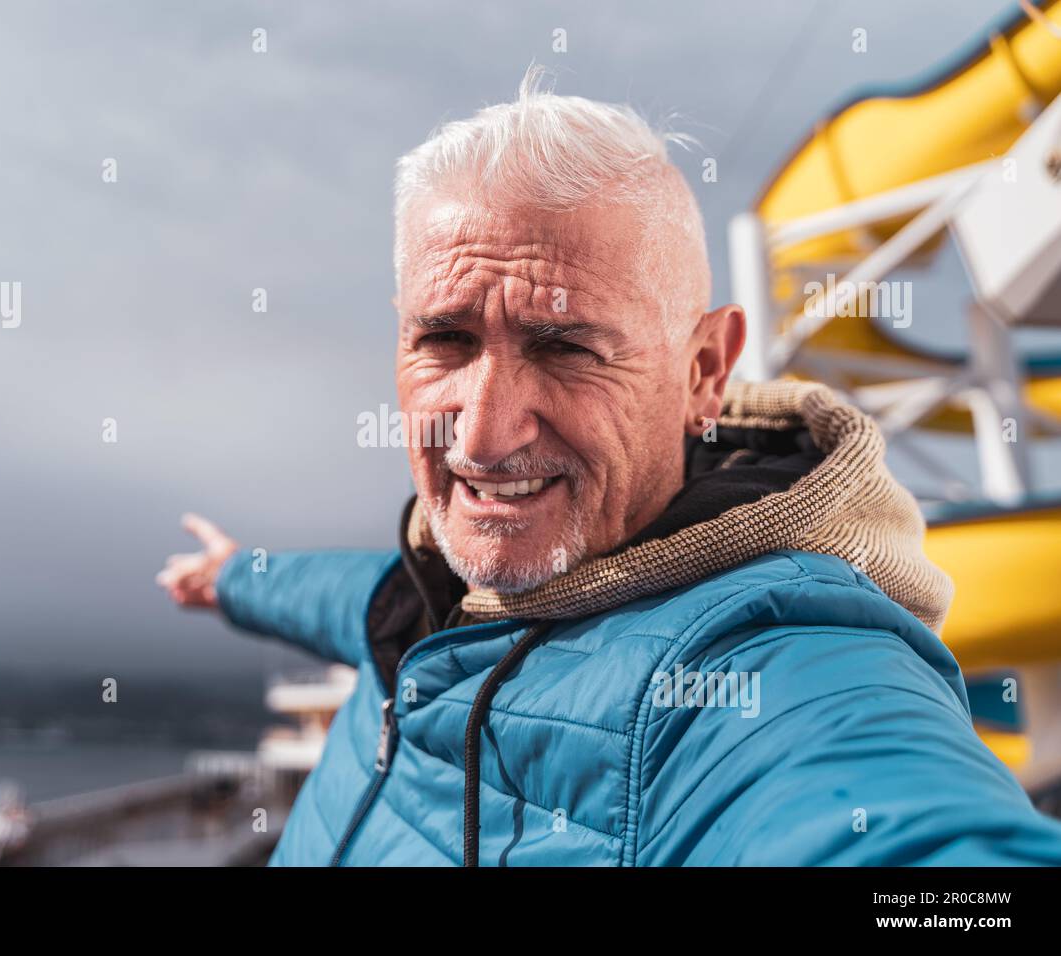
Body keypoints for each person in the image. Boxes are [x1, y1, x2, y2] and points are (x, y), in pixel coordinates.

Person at [158, 69, 1061, 866]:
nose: (483, 434)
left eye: (565, 348)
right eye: (445, 338)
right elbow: (331, 592)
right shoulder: (419, 592)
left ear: (703, 372)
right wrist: (232, 577)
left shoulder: (766, 665)